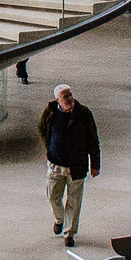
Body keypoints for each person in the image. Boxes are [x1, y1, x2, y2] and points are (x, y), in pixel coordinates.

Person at [38, 84, 100, 248]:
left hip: (76, 165)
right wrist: (49, 146)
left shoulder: (83, 113)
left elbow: (93, 139)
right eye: (66, 96)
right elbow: (41, 128)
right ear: (58, 99)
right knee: (52, 196)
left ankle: (69, 232)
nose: (70, 98)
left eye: (70, 94)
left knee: (74, 200)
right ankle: (59, 219)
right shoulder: (51, 111)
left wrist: (95, 164)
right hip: (55, 164)